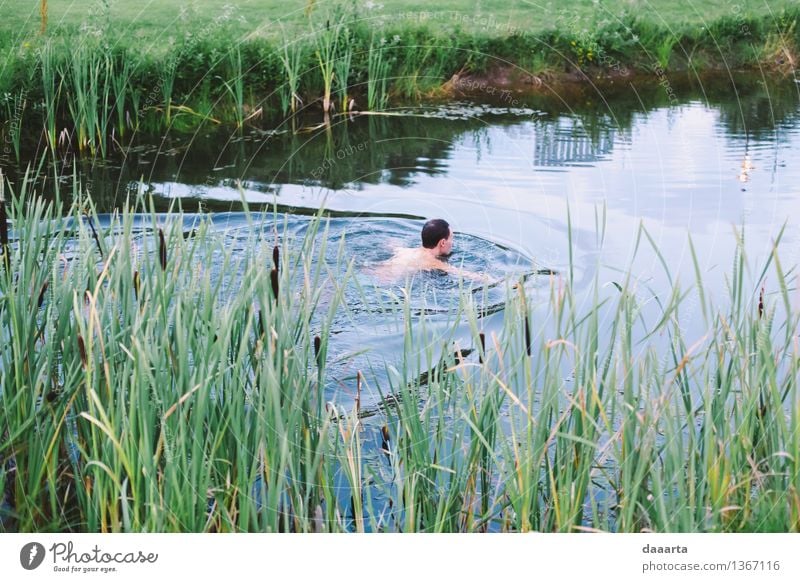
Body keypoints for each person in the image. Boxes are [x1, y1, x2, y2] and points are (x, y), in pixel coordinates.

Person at [368, 218, 492, 284]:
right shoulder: (432, 262)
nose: (452, 243)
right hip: (384, 283)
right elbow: (465, 274)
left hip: (371, 272)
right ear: (442, 242)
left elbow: (391, 243)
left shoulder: (404, 251)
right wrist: (497, 282)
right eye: (451, 238)